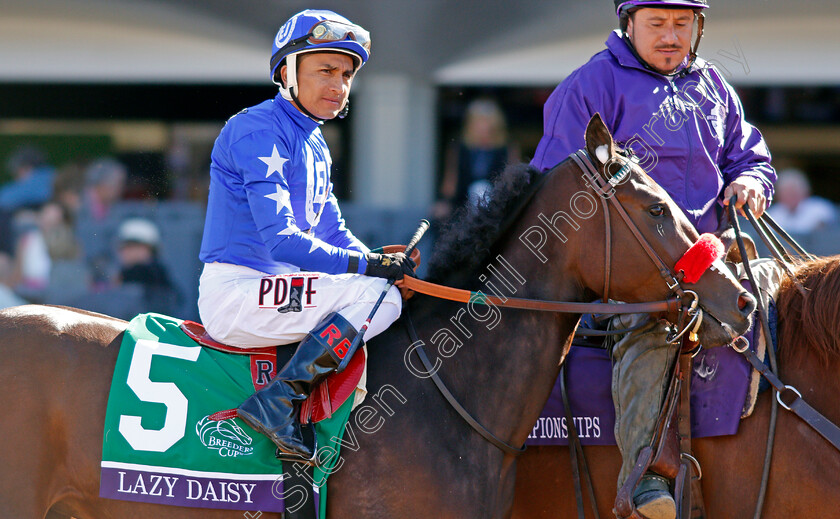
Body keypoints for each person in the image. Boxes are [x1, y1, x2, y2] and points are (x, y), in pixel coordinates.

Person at [530, 2, 778, 518]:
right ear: (630, 26)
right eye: (657, 24)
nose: (671, 36)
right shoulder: (592, 83)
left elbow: (748, 154)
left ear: (698, 28)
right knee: (655, 328)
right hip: (630, 266)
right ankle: (643, 481)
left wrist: (751, 179)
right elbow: (555, 181)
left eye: (682, 24)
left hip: (708, 255)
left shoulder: (712, 85)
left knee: (788, 302)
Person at [197, 9, 415, 462]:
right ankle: (280, 401)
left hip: (272, 289)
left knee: (385, 290)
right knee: (379, 298)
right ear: (287, 72)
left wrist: (382, 264)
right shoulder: (255, 128)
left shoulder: (315, 144)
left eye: (346, 74)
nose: (338, 85)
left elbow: (333, 231)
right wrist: (370, 267)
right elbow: (283, 242)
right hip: (237, 293)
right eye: (325, 71)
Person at [434, 98, 518, 220]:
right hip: (462, 207)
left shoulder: (506, 148)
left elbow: (512, 179)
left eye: (487, 121)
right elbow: (450, 181)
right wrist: (444, 202)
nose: (483, 126)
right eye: (478, 121)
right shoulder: (459, 148)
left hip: (497, 208)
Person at [767, 168, 836, 234]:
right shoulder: (773, 214)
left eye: (793, 192)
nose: (790, 196)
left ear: (805, 191)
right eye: (786, 192)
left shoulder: (820, 208)